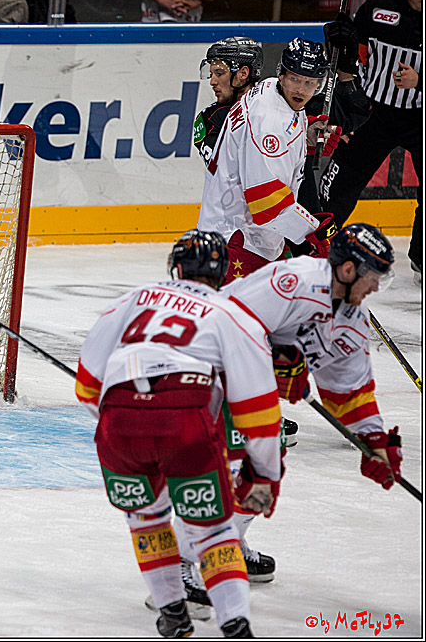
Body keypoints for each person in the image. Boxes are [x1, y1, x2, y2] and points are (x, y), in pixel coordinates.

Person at [178, 222, 404, 607]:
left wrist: (375, 441)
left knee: (264, 468)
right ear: (347, 271)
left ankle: (227, 540)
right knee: (229, 467)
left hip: (250, 391)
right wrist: (273, 361)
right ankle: (182, 563)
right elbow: (228, 320)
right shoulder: (294, 280)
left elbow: (350, 393)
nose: (376, 287)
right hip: (210, 372)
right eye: (372, 276)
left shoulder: (352, 322)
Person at [76, 230, 283, 638]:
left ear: (175, 267)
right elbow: (256, 408)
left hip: (118, 423)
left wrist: (127, 413)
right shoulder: (230, 312)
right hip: (185, 423)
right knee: (214, 534)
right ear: (222, 274)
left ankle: (173, 615)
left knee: (146, 520)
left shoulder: (134, 298)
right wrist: (266, 473)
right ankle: (236, 627)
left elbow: (86, 385)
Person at [198, 37, 338, 284]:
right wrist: (314, 232)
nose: (301, 89)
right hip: (239, 242)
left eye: (309, 82)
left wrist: (303, 138)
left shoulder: (271, 89)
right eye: (295, 78)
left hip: (258, 237)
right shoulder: (269, 122)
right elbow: (267, 205)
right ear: (282, 74)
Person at [319, 0, 423, 281]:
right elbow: (351, 52)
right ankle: (317, 246)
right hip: (375, 115)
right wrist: (337, 43)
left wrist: (419, 81)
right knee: (338, 187)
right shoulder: (380, 6)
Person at [194, 36, 264, 166]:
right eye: (212, 74)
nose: (212, 82)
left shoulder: (273, 105)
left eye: (219, 73)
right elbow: (225, 171)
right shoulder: (210, 119)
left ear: (243, 74)